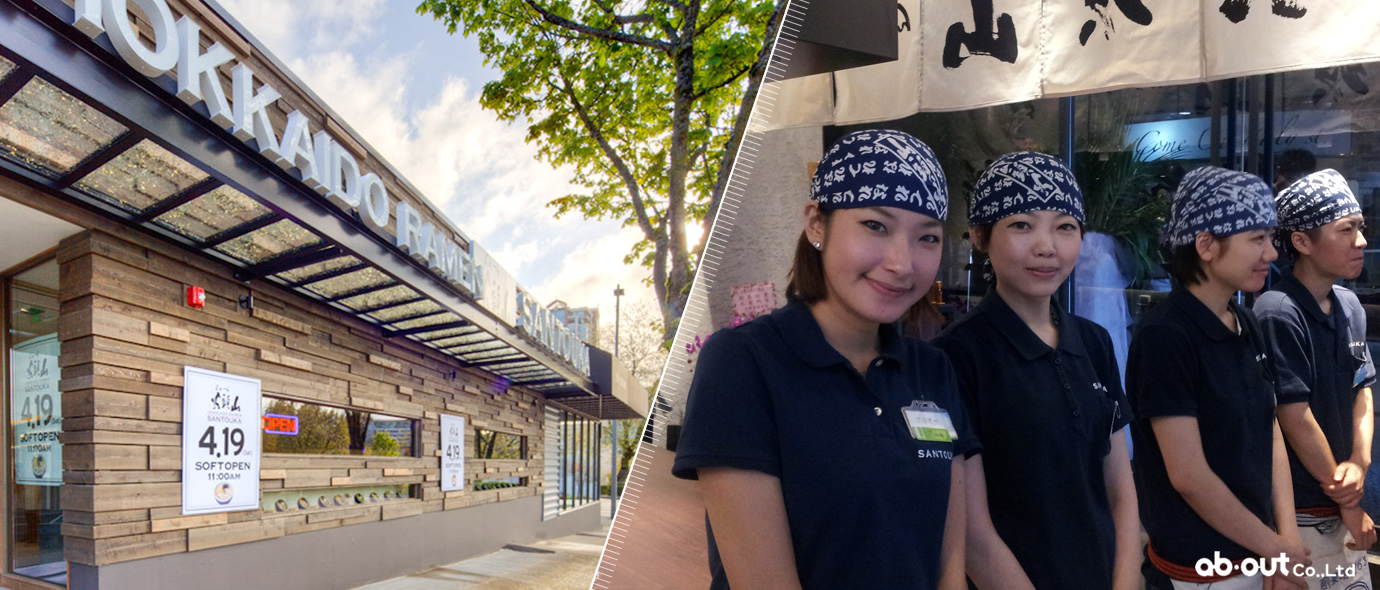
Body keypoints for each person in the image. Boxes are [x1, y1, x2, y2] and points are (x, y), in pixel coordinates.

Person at [671, 129, 978, 589]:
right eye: (876, 226)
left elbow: (950, 560)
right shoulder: (742, 363)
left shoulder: (932, 370)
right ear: (817, 223)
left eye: (927, 238)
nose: (902, 262)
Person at [932, 152, 1139, 590]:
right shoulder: (955, 356)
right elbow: (971, 531)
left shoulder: (1094, 341)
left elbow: (1120, 488)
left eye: (1065, 227)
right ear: (979, 236)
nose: (1047, 246)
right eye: (1021, 225)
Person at [1127, 166, 1310, 590]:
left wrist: (1284, 543)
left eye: (1270, 238)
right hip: (1199, 571)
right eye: (1256, 239)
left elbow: (1270, 431)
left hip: (1260, 555)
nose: (1271, 253)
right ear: (1206, 245)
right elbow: (1189, 476)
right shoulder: (1165, 335)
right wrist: (1276, 550)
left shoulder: (1246, 320)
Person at [1255, 169, 1376, 588]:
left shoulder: (1349, 304)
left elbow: (1363, 392)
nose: (1360, 241)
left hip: (1345, 499)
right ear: (1302, 242)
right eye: (1345, 230)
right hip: (1301, 510)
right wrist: (1345, 497)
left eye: (1360, 227)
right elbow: (1293, 415)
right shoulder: (1277, 309)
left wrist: (1360, 463)